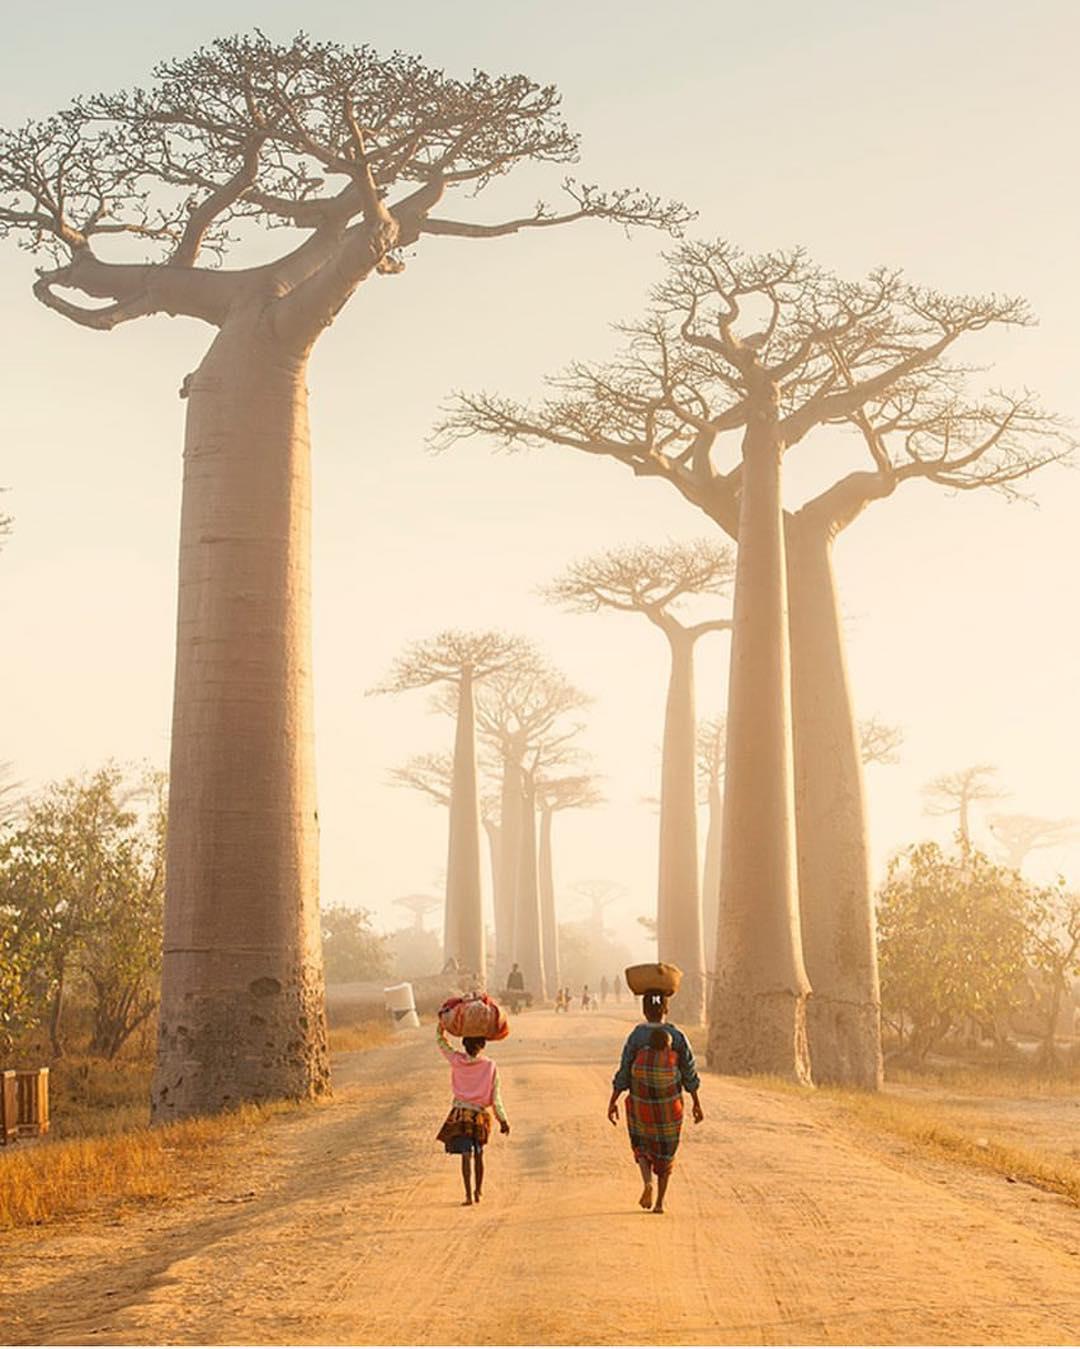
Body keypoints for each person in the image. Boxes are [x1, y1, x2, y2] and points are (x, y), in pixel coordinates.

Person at [607, 989, 703, 1213]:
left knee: (642, 1143)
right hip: (669, 1104)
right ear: (666, 1009)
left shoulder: (636, 1036)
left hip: (641, 1101)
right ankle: (659, 1203)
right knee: (666, 1149)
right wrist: (696, 1101)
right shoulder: (677, 1036)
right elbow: (689, 1071)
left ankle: (647, 1182)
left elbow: (624, 1071)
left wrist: (613, 1099)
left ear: (644, 1010)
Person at [435, 1023, 510, 1205]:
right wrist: (503, 1120)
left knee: (466, 1154)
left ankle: (468, 1195)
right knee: (479, 1154)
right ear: (482, 1046)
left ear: (464, 1044)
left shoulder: (456, 1060)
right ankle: (478, 1191)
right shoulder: (490, 1065)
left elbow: (441, 1042)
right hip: (479, 1116)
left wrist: (441, 1026)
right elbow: (495, 1097)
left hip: (461, 1113)